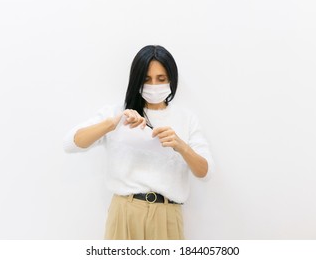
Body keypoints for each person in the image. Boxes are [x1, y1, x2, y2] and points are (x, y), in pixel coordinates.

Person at [63, 45, 214, 240]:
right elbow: (70, 143)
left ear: (171, 80)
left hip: (167, 215)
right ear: (136, 81)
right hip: (124, 211)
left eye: (161, 79)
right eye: (146, 79)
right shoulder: (118, 114)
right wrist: (112, 123)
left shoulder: (186, 119)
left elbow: (206, 173)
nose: (154, 85)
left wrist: (181, 146)